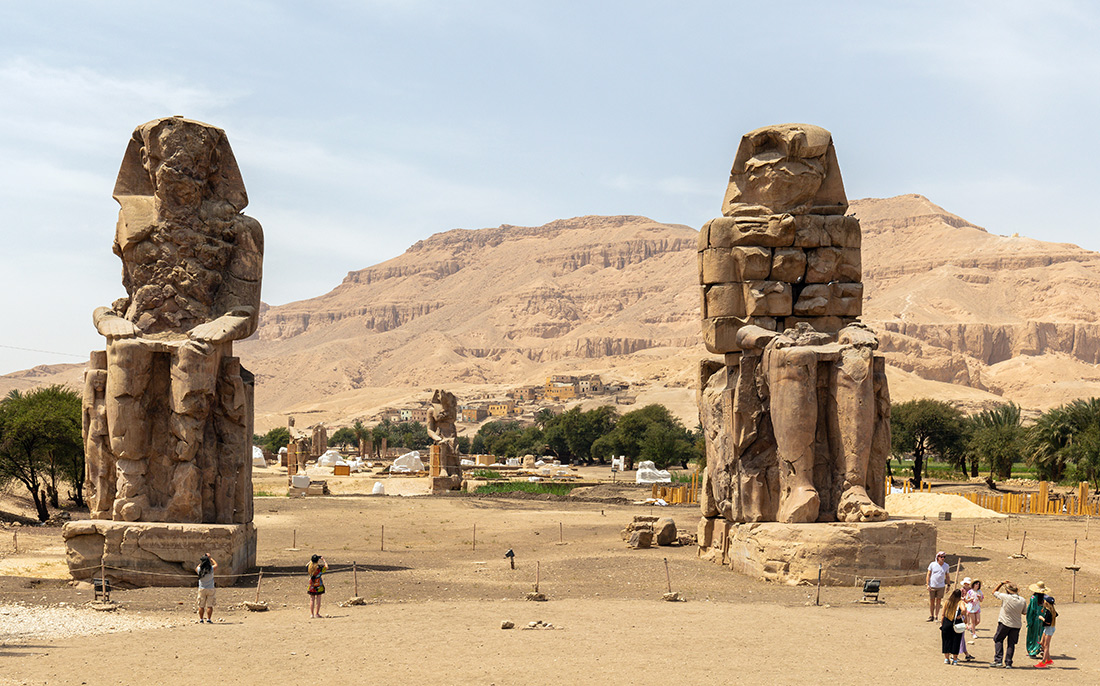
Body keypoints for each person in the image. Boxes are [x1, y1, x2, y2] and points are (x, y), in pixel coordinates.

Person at [990, 580, 1026, 668]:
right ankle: (1008, 662)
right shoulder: (1022, 600)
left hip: (1005, 622)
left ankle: (998, 660)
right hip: (1016, 624)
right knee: (1011, 643)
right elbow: (1024, 612)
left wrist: (1001, 583)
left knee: (998, 639)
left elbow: (994, 592)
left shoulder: (1006, 597)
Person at [1025, 581, 1050, 659]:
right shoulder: (1045, 598)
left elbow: (1031, 610)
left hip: (1035, 619)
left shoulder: (1033, 598)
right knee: (1041, 634)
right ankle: (1039, 649)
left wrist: (1029, 621)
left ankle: (1032, 651)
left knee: (1032, 635)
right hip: (1043, 619)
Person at [941, 589, 964, 665]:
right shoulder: (960, 602)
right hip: (956, 622)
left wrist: (942, 624)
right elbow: (964, 609)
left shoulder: (947, 602)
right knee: (956, 641)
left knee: (946, 641)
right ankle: (954, 660)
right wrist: (960, 615)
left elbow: (943, 614)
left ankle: (946, 658)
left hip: (947, 622)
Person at [1035, 595, 1058, 668]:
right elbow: (1056, 615)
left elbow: (1048, 622)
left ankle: (1043, 661)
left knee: (1046, 645)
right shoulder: (1052, 610)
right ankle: (1048, 659)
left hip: (1049, 628)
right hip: (1047, 628)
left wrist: (1041, 618)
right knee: (1042, 643)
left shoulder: (1048, 612)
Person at [927, 551, 951, 621]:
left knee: (938, 601)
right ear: (938, 557)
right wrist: (927, 584)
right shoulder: (932, 564)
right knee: (932, 601)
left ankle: (936, 616)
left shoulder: (946, 566)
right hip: (932, 585)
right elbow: (928, 574)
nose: (942, 558)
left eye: (944, 557)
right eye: (941, 557)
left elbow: (947, 576)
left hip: (941, 586)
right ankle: (931, 615)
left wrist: (948, 585)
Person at [195, 553, 218, 624]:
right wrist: (210, 559)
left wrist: (203, 561)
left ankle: (201, 619)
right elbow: (216, 565)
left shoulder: (199, 569)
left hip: (202, 589)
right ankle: (208, 619)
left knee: (201, 606)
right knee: (209, 606)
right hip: (210, 588)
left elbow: (196, 568)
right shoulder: (211, 569)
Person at [957, 578, 975, 661]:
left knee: (961, 639)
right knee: (958, 638)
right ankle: (953, 655)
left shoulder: (971, 590)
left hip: (967, 608)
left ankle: (966, 654)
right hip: (958, 621)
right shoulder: (959, 603)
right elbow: (963, 611)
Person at [307, 554, 327, 618]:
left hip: (311, 585)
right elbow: (326, 567)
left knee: (312, 599)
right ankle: (317, 613)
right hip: (319, 585)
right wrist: (324, 560)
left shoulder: (309, 567)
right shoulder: (319, 568)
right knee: (318, 599)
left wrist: (311, 561)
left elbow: (307, 565)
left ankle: (312, 614)